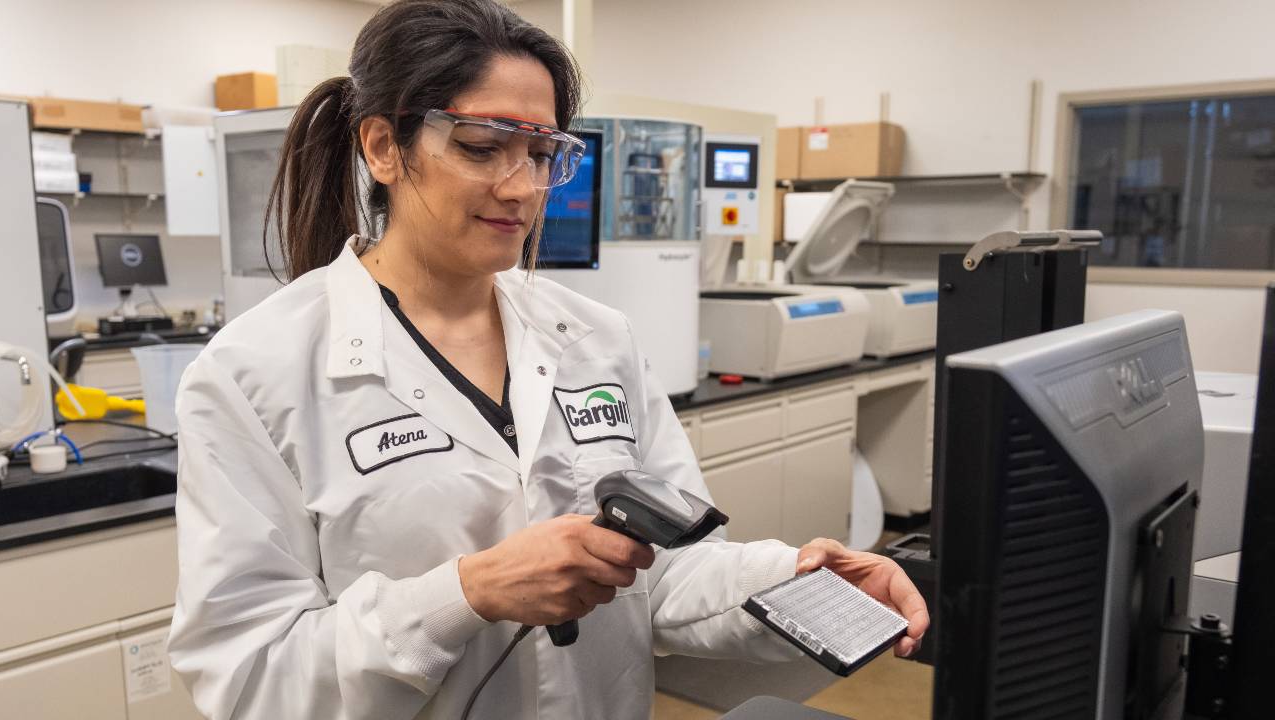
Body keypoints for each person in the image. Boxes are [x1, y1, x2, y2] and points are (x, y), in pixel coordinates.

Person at [167, 1, 928, 718]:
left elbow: (664, 575)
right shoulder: (253, 375)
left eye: (543, 153)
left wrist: (789, 579)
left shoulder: (596, 337)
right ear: (382, 147)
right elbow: (250, 675)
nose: (522, 188)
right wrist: (468, 594)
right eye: (482, 148)